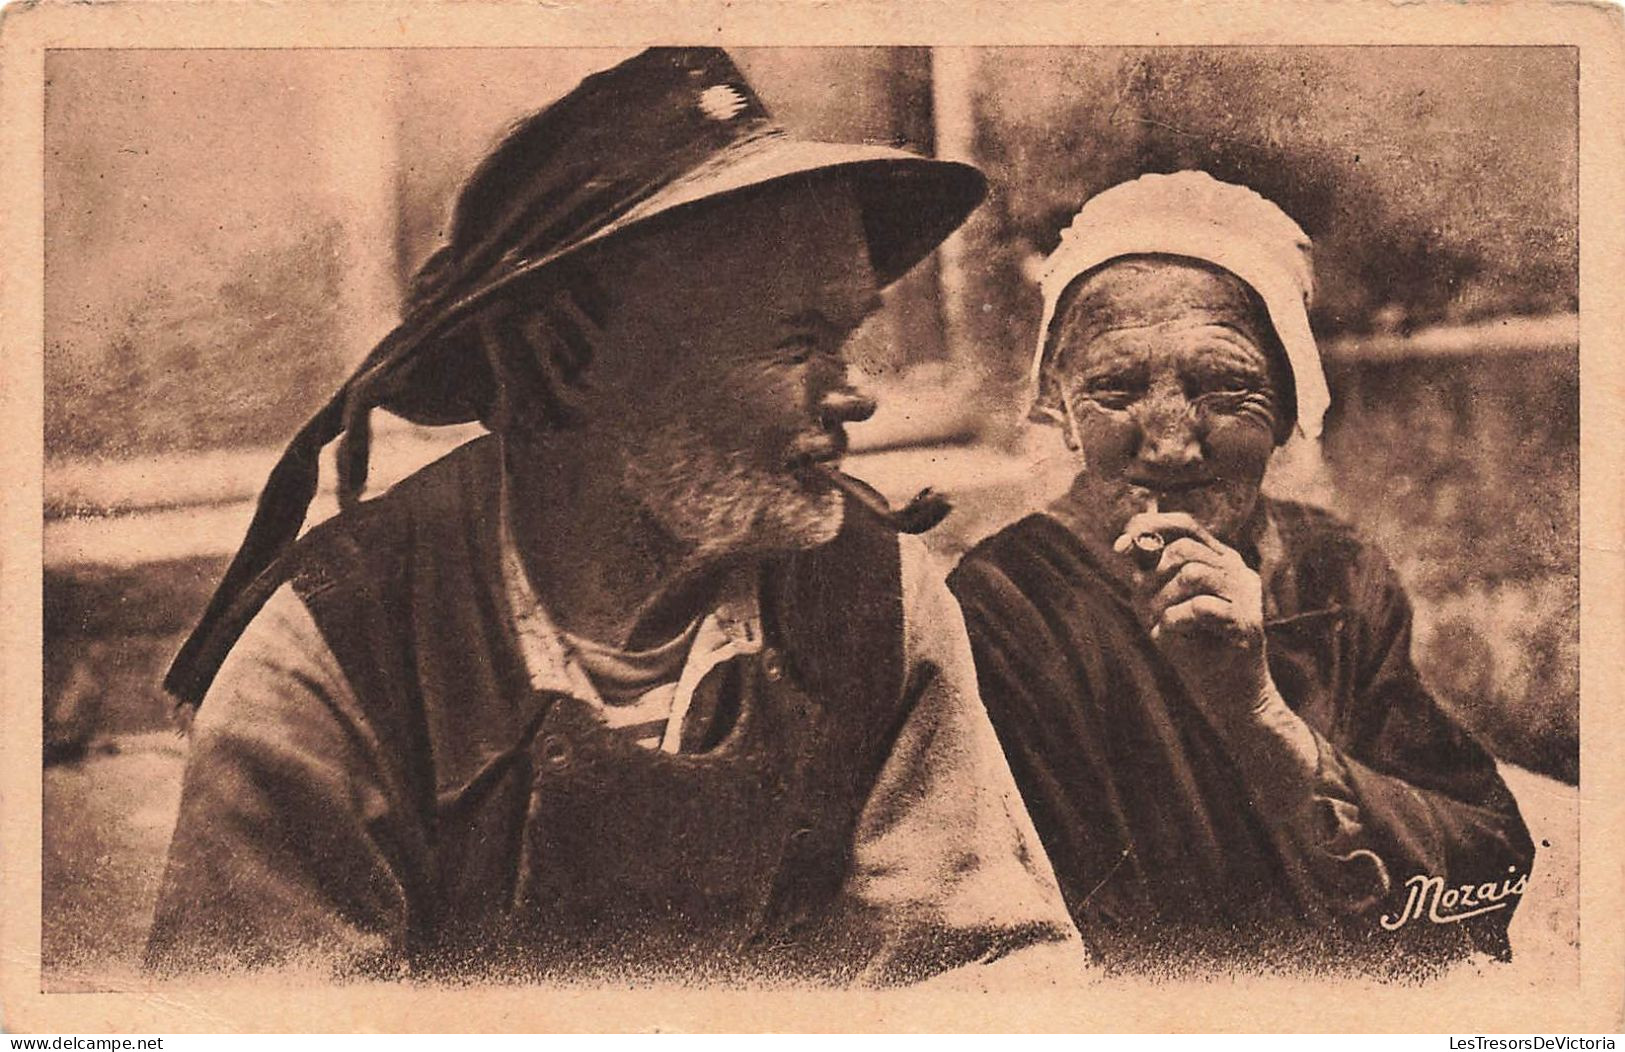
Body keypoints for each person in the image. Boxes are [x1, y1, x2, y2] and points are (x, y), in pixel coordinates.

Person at [145, 48, 1080, 985]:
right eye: (797, 341)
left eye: (847, 337)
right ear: (559, 358)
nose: (858, 396)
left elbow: (983, 970)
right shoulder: (337, 655)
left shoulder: (871, 592)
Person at [947, 171, 1534, 977]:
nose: (1170, 444)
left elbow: (1491, 863)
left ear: (1290, 402)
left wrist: (1263, 723)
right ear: (1061, 407)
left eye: (1224, 388)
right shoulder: (1004, 604)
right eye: (1115, 390)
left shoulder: (1334, 570)